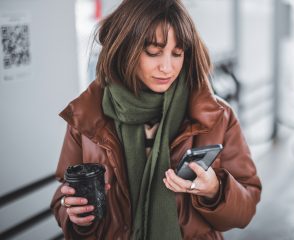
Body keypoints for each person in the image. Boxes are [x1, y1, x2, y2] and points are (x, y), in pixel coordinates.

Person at [50, 0, 261, 239]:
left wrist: (215, 190)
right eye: (153, 53)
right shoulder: (87, 115)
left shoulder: (216, 116)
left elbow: (246, 205)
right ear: (125, 48)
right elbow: (62, 197)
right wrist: (76, 216)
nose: (168, 67)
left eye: (177, 53)